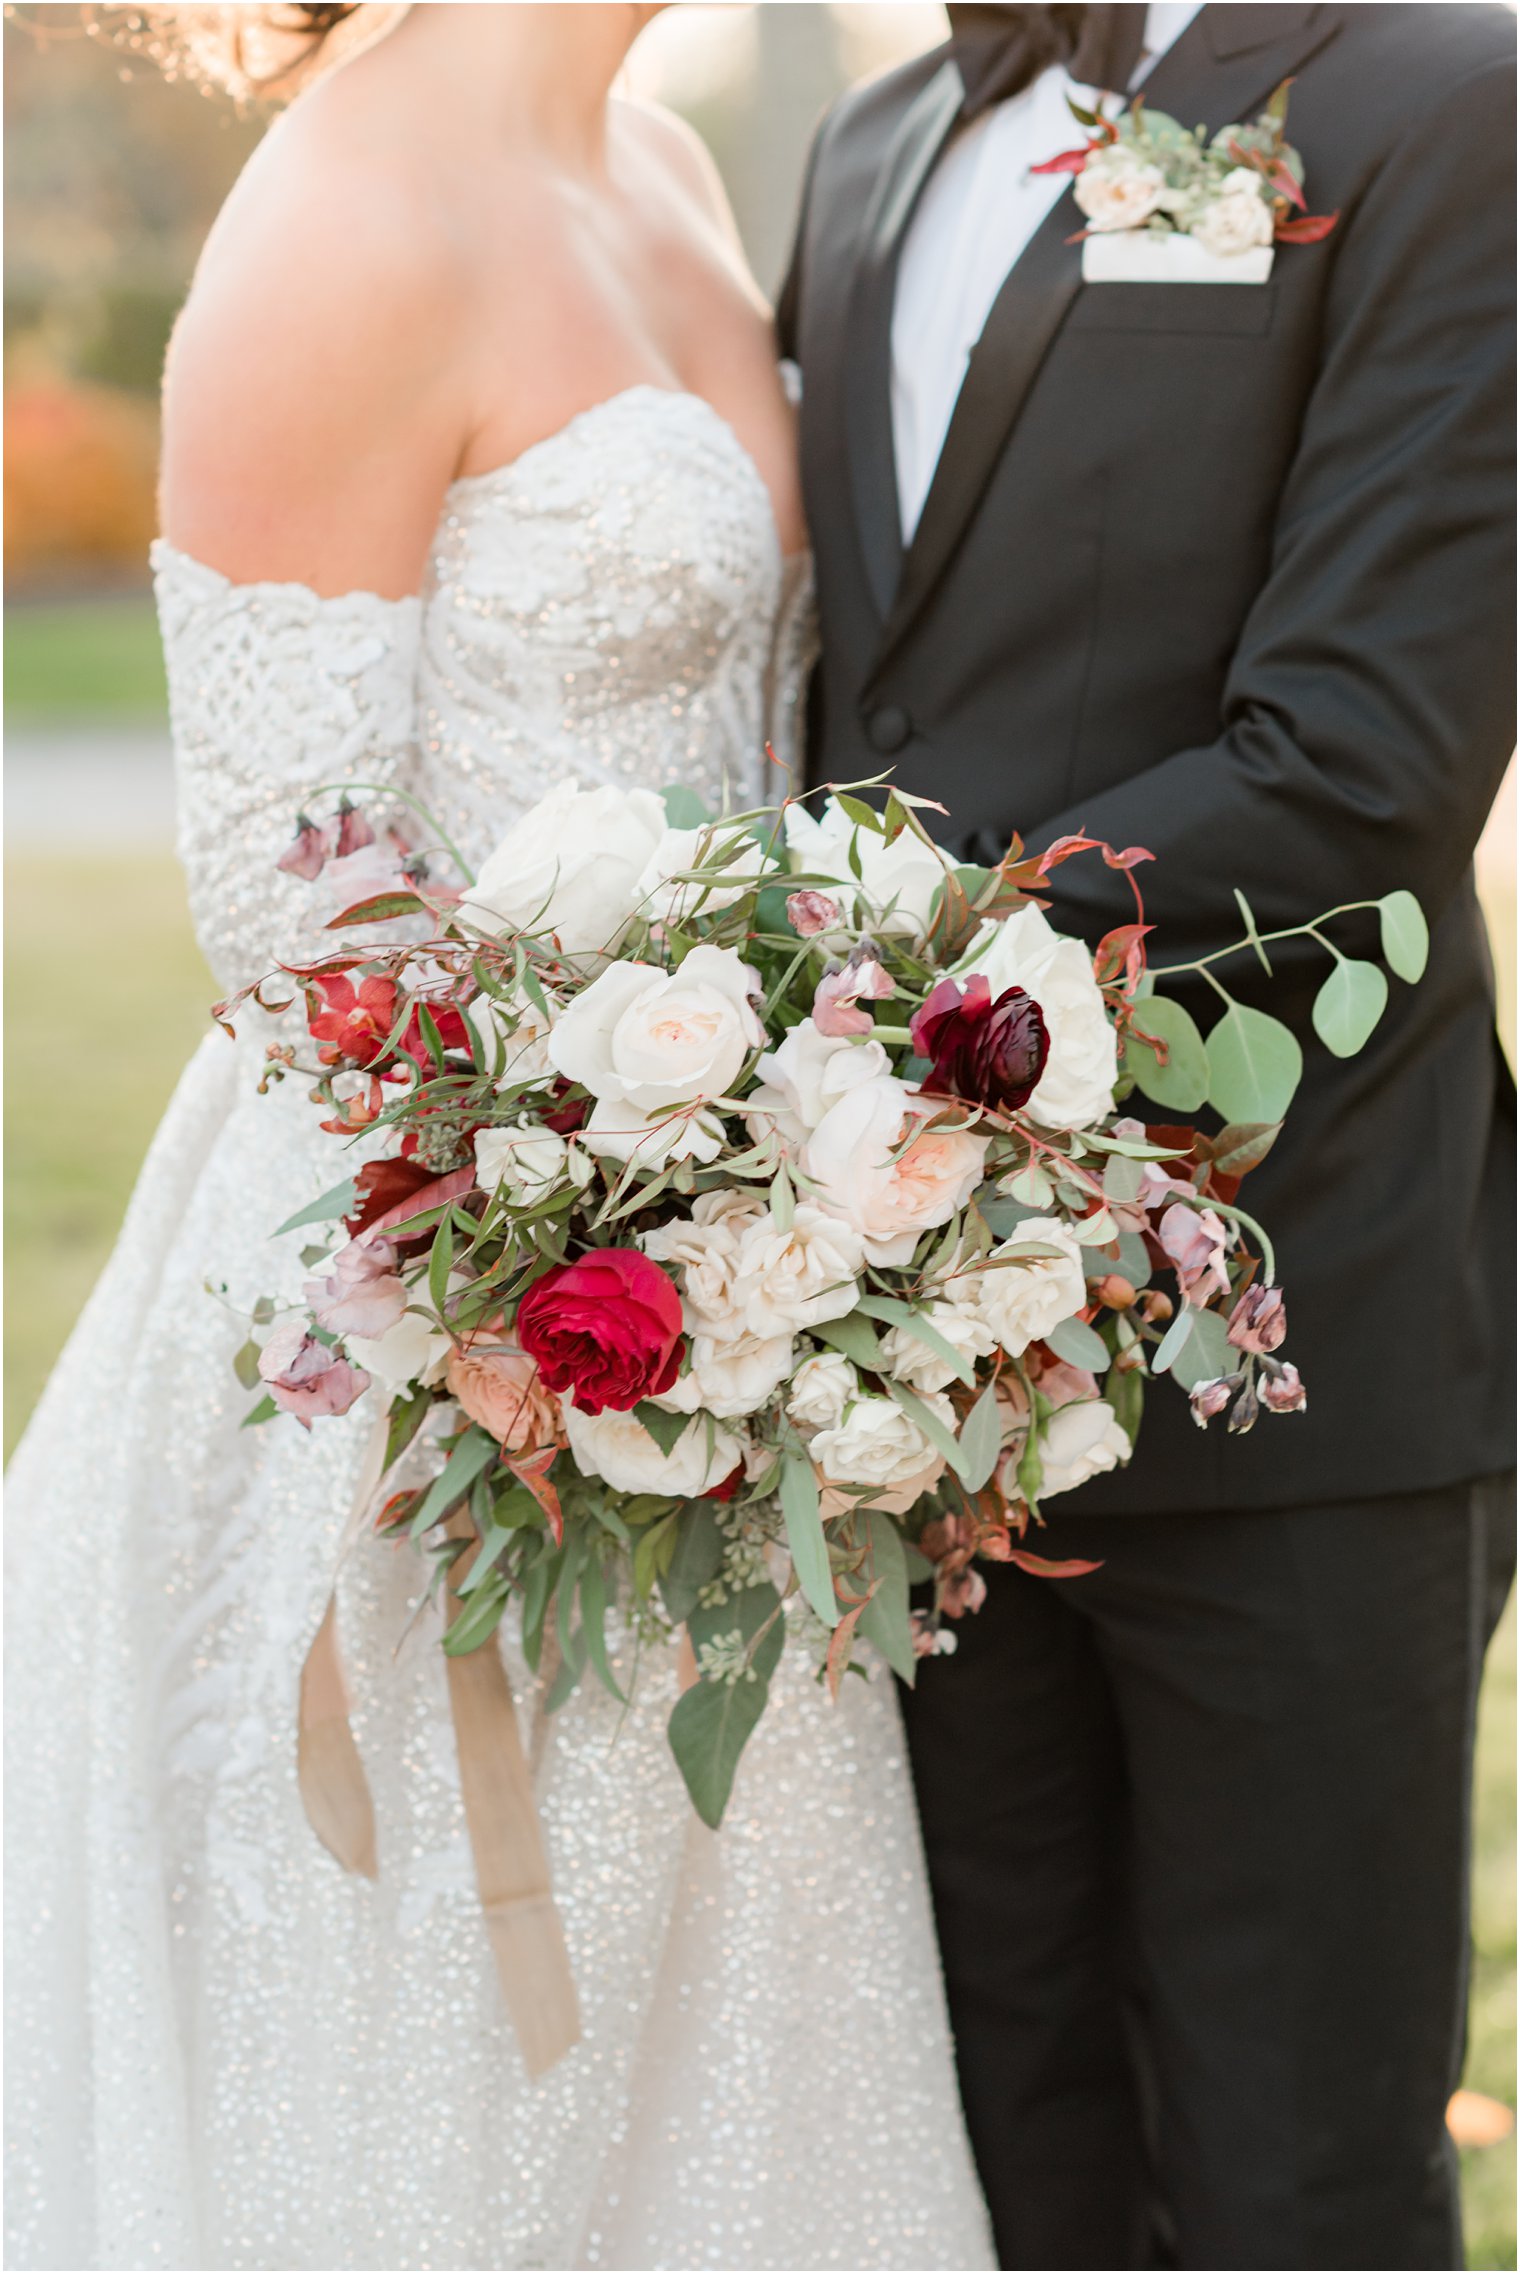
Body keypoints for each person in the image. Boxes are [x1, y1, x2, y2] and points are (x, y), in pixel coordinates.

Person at [2, 9, 996, 2267]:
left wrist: (789, 1204)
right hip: (451, 1313)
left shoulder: (656, 160)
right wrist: (589, 1229)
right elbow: (294, 910)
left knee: (720, 2047)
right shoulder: (343, 220)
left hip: (732, 1293)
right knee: (415, 2042)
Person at [780, 3, 1517, 2266]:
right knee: (997, 2147)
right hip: (904, 1366)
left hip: (1284, 1322)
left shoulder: (1443, 103)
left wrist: (849, 963)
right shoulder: (872, 140)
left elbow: (1362, 756)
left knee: (1292, 2173)